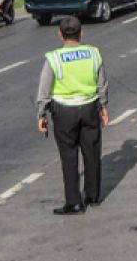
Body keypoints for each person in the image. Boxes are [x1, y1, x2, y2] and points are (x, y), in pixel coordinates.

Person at [35, 16, 109, 215]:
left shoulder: (54, 58)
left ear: (60, 35)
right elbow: (101, 83)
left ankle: (74, 203)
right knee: (92, 152)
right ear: (81, 33)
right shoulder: (93, 53)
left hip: (64, 112)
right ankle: (93, 196)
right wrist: (103, 106)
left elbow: (44, 88)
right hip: (90, 108)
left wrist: (41, 114)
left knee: (69, 157)